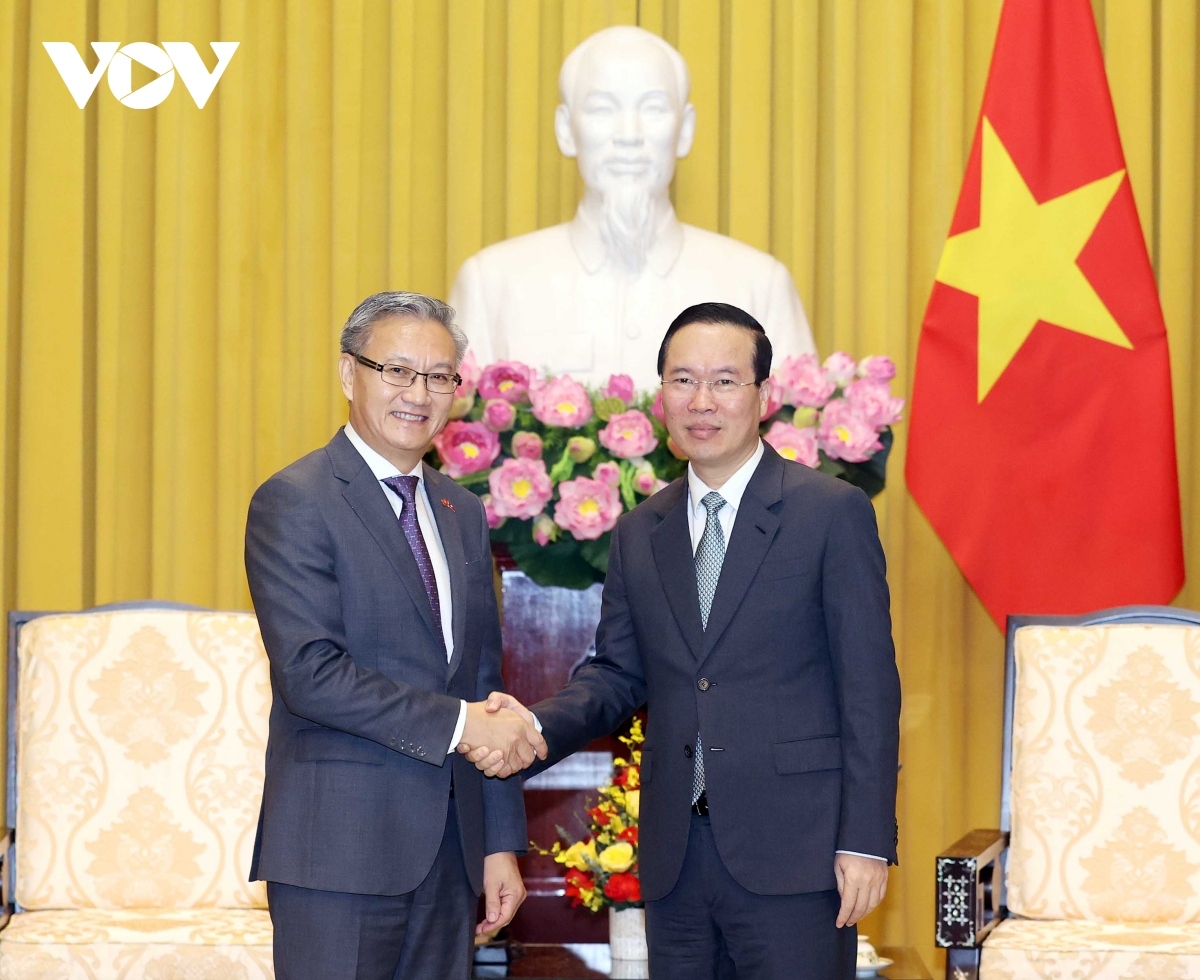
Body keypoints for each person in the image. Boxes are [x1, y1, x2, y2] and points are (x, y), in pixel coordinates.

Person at [462, 302, 901, 979]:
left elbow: (870, 689)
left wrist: (867, 841)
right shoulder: (642, 530)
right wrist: (534, 728)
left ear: (764, 395)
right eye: (682, 380)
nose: (702, 401)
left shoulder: (829, 514)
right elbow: (617, 675)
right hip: (676, 861)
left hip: (796, 853)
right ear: (660, 394)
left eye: (725, 380)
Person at [245, 291, 546, 980]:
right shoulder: (296, 500)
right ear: (350, 374)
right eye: (398, 370)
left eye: (440, 376)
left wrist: (498, 842)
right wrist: (462, 724)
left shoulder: (462, 512)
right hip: (338, 853)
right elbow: (311, 673)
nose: (420, 393)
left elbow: (481, 685)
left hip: (449, 855)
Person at [449, 26, 815, 390]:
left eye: (653, 108)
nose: (629, 135)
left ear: (685, 129)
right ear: (565, 129)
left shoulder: (759, 284)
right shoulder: (492, 283)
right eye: (602, 109)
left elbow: (795, 435)